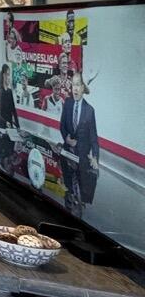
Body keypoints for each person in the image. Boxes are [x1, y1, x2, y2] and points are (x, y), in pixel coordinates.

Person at [58, 71, 100, 215]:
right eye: (73, 85)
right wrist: (66, 139)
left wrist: (95, 157)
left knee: (79, 194)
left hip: (81, 160)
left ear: (83, 88)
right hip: (67, 156)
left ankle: (78, 212)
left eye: (78, 85)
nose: (75, 89)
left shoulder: (90, 111)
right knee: (68, 192)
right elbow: (62, 126)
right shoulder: (68, 104)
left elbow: (94, 138)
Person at [0, 63, 20, 172]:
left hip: (10, 127)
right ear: (3, 75)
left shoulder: (9, 91)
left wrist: (18, 125)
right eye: (7, 74)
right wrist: (7, 123)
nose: (9, 77)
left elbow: (13, 110)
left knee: (12, 147)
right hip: (2, 127)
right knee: (6, 148)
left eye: (10, 75)